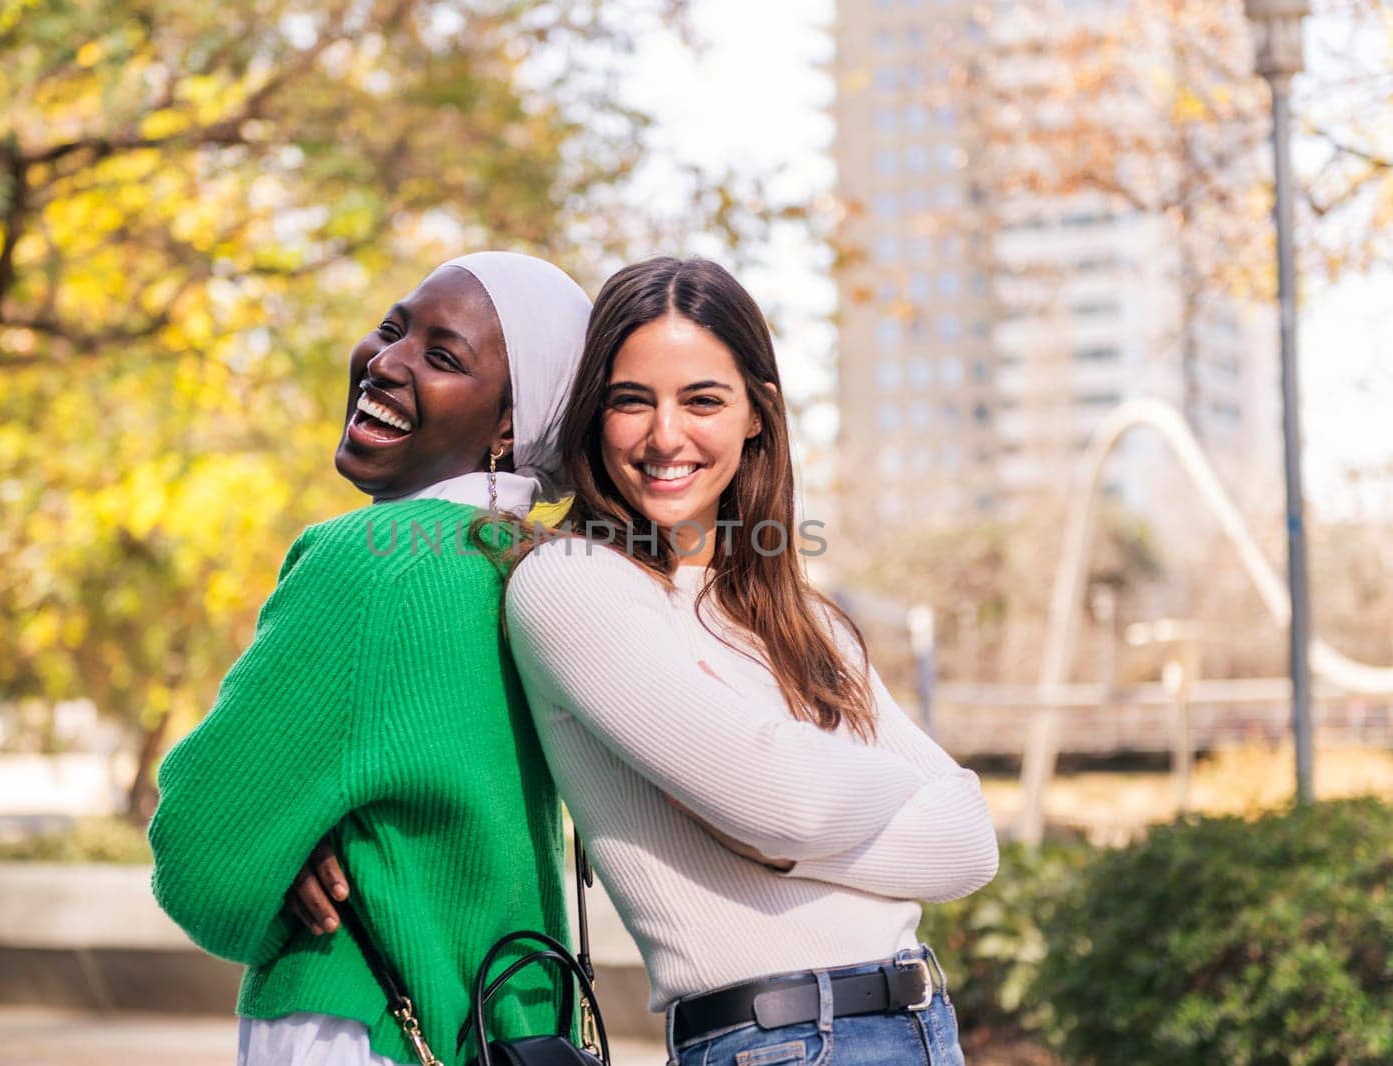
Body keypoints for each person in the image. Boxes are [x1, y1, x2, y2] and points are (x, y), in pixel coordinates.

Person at [502, 257, 999, 1066]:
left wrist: (785, 817)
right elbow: (786, 803)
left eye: (702, 399)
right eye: (632, 401)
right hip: (779, 1042)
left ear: (756, 416)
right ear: (595, 416)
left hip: (920, 1026)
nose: (666, 436)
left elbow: (969, 842)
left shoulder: (798, 618)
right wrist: (825, 794)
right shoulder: (573, 584)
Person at [148, 251, 593, 1066]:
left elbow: (199, 857)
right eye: (393, 329)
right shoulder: (545, 571)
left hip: (360, 1025)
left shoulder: (367, 565)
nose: (386, 361)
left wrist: (275, 858)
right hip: (518, 1037)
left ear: (509, 425)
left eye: (442, 356)